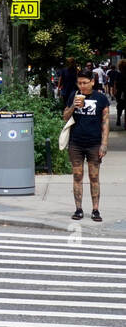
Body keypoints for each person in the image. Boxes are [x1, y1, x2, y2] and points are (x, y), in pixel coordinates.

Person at [64, 70, 111, 222]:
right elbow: (65, 117)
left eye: (85, 82)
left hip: (94, 143)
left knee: (94, 177)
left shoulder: (101, 98)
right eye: (79, 83)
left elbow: (105, 122)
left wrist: (104, 144)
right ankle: (78, 209)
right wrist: (73, 107)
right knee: (77, 176)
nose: (82, 86)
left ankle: (95, 210)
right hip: (76, 142)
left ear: (92, 82)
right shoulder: (73, 95)